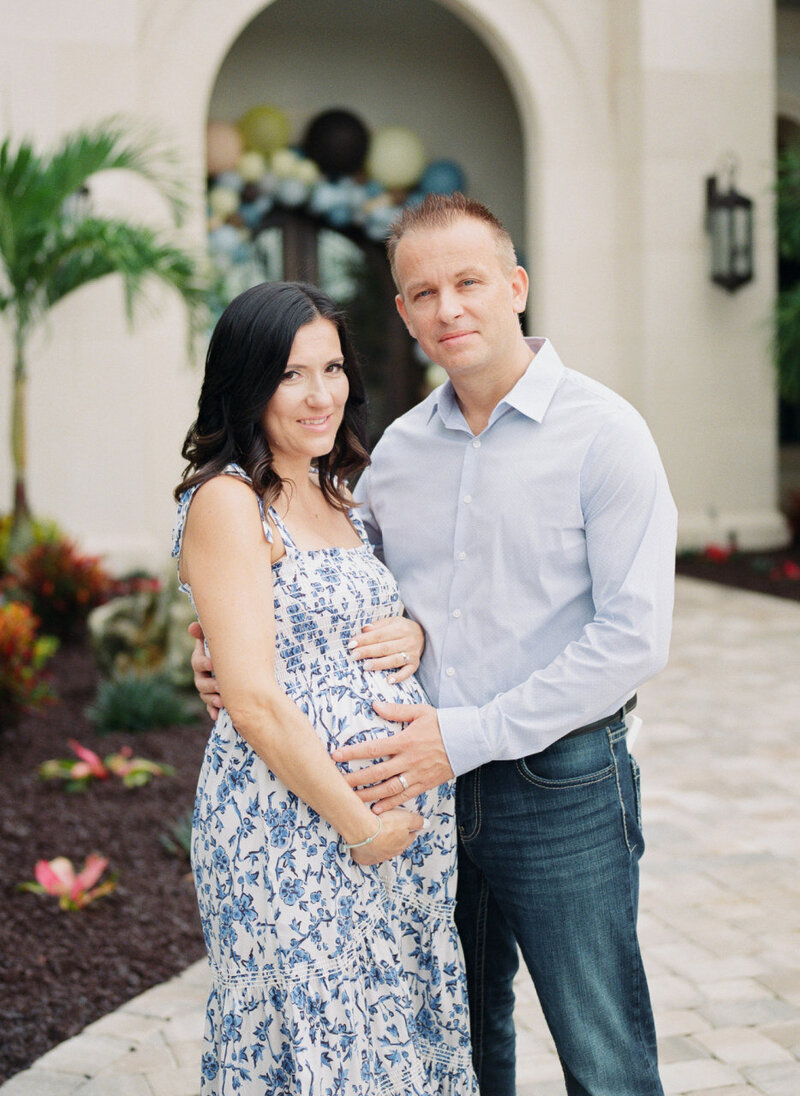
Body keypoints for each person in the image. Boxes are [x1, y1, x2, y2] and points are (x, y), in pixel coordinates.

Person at [194, 194, 677, 1096]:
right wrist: (217, 650)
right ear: (405, 313)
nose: (447, 307)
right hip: (420, 787)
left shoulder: (605, 434)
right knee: (456, 1034)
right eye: (422, 292)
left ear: (516, 286)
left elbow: (633, 637)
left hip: (560, 783)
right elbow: (320, 586)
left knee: (601, 1046)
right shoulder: (390, 457)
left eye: (468, 282)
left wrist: (465, 735)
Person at [173, 280, 477, 1096]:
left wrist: (411, 634)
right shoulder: (229, 502)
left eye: (333, 368)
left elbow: (348, 625)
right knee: (313, 1041)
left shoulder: (335, 489)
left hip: (388, 827)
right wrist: (359, 826)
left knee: (388, 1035)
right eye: (291, 374)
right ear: (247, 382)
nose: (321, 395)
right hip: (296, 825)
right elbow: (257, 700)